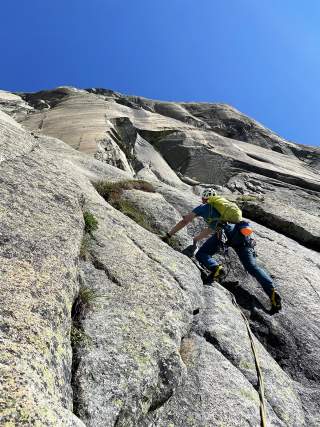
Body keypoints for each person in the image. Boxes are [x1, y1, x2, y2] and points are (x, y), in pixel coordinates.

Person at [163, 188, 282, 312]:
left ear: (204, 199)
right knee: (252, 267)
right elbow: (209, 229)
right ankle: (272, 292)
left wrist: (169, 235)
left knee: (202, 253)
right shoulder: (225, 208)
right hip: (242, 232)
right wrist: (196, 238)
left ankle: (216, 269)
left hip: (225, 231)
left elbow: (185, 221)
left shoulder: (203, 207)